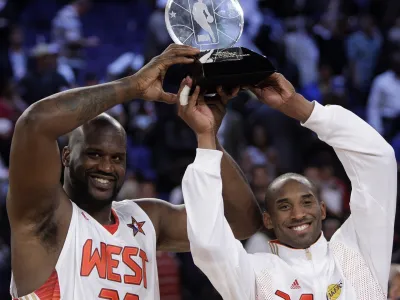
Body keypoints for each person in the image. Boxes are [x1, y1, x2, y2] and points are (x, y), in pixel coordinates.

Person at [7, 44, 262, 299]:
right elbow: (35, 123)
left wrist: (208, 137)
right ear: (66, 156)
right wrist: (133, 86)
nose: (106, 167)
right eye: (94, 154)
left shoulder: (147, 220)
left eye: (117, 158)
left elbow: (241, 223)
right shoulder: (45, 216)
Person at [181, 73, 397, 299]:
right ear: (268, 220)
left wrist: (302, 109)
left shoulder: (358, 252)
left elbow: (378, 161)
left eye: (307, 202)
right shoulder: (256, 273)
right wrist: (205, 140)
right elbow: (209, 244)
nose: (298, 214)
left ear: (322, 209)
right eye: (284, 207)